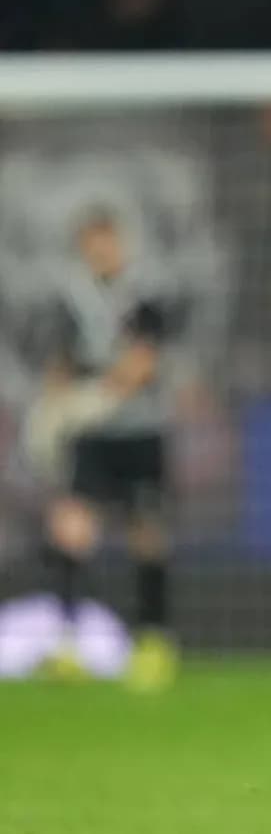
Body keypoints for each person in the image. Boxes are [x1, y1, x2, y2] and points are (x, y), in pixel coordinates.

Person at [25, 208, 179, 691]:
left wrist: (97, 397)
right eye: (92, 243)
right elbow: (60, 365)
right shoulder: (71, 303)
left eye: (107, 242)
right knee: (72, 529)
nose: (100, 252)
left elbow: (144, 363)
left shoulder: (144, 295)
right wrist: (56, 412)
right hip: (92, 440)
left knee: (146, 532)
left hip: (139, 432)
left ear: (121, 243)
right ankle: (68, 642)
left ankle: (154, 642)